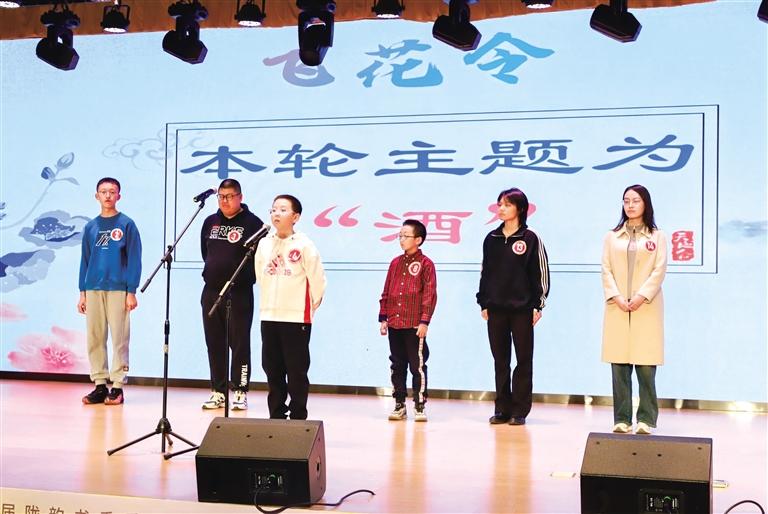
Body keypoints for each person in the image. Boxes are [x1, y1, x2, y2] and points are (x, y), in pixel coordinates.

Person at [477, 187, 549, 426]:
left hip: (522, 310)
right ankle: (502, 409)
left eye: (507, 205)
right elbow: (485, 272)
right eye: (499, 204)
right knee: (500, 361)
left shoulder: (530, 238)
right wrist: (483, 301)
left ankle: (520, 410)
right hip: (496, 309)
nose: (501, 208)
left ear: (520, 209)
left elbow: (540, 273)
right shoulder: (491, 238)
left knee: (523, 360)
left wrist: (538, 305)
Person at [601, 184, 667, 435]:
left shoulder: (657, 236)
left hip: (645, 306)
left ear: (645, 204)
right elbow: (606, 269)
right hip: (617, 306)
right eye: (626, 200)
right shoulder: (612, 237)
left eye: (635, 201)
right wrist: (616, 296)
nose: (630, 205)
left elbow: (659, 271)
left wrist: (641, 296)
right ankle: (622, 419)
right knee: (619, 366)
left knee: (646, 366)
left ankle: (646, 419)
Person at [254, 194, 326, 420]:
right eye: (274, 209)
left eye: (283, 210)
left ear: (295, 217)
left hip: (296, 318)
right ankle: (276, 414)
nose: (276, 213)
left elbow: (317, 280)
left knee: (296, 370)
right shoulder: (264, 243)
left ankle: (298, 416)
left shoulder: (304, 245)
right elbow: (260, 275)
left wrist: (309, 307)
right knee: (272, 369)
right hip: (269, 315)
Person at [200, 178, 265, 410]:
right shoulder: (210, 222)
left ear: (240, 197)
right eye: (221, 197)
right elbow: (205, 253)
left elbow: (258, 259)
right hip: (211, 291)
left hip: (239, 292)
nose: (224, 201)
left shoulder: (253, 223)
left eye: (229, 196)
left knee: (239, 343)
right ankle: (218, 391)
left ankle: (239, 390)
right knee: (214, 342)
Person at [78, 177, 142, 405]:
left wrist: (131, 291)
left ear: (118, 196)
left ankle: (117, 386)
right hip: (93, 288)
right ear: (96, 196)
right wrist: (82, 292)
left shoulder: (127, 224)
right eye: (103, 192)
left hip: (118, 289)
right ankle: (99, 385)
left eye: (112, 192)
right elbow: (85, 260)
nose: (107, 195)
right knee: (95, 337)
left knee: (119, 338)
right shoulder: (91, 227)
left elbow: (134, 259)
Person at [379, 220, 437, 422]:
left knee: (417, 366)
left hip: (414, 324)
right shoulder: (395, 263)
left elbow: (429, 295)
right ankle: (399, 403)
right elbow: (387, 291)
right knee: (397, 364)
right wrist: (383, 317)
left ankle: (419, 405)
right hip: (395, 322)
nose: (401, 239)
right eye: (400, 236)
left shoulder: (426, 264)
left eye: (406, 236)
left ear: (418, 240)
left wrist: (424, 322)